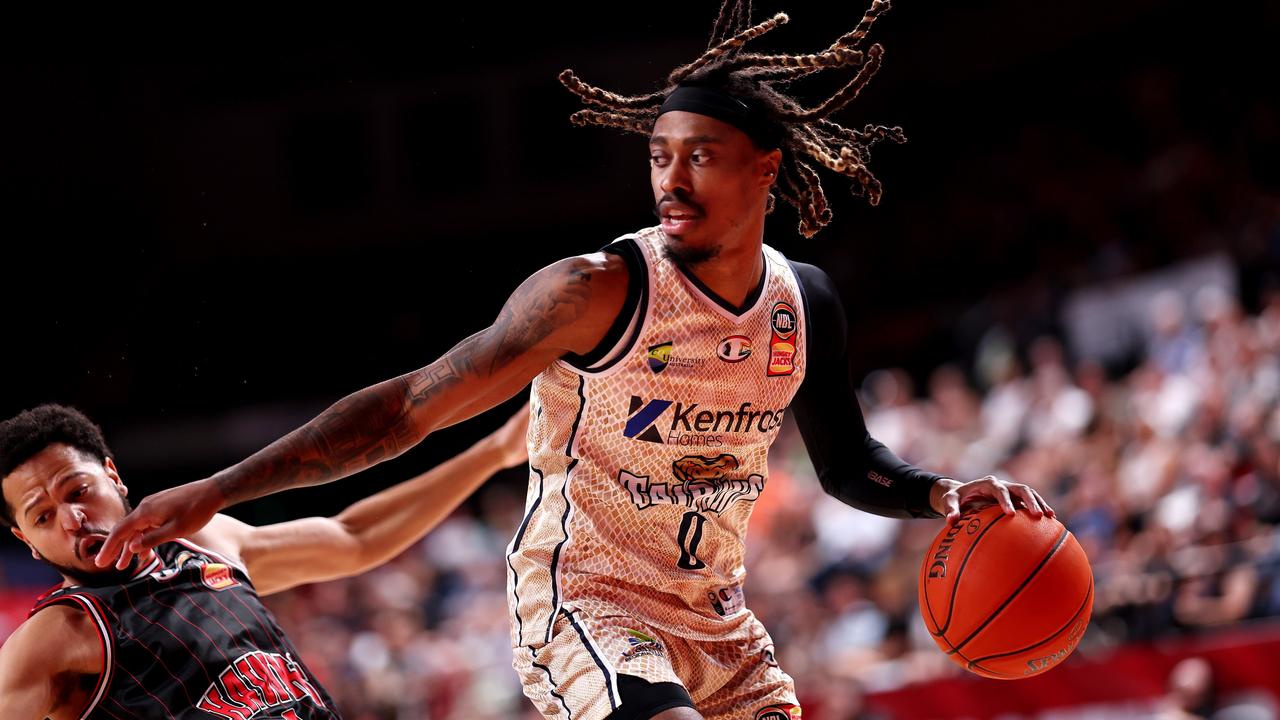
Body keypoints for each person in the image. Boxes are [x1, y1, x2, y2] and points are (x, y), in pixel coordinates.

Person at [96, 2, 1054, 718]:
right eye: (657, 156)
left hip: (718, 620)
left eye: (702, 157)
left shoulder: (805, 303)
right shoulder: (596, 289)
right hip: (584, 603)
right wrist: (219, 489)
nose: (671, 181)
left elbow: (848, 464)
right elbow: (408, 409)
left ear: (766, 169)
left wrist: (939, 494)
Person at [0, 403, 528, 719]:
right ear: (27, 541)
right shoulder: (53, 637)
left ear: (114, 478)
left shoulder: (204, 541)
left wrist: (495, 452)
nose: (71, 519)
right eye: (43, 517)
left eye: (79, 490)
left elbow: (355, 536)